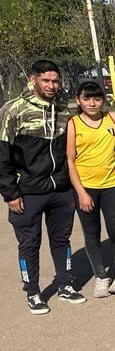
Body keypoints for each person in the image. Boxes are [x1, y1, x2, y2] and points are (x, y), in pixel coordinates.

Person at [0, 61, 85, 313]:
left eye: (55, 81)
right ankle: (33, 292)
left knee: (61, 239)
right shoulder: (13, 110)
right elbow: (2, 154)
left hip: (60, 191)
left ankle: (65, 284)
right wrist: (10, 193)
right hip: (27, 192)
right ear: (32, 79)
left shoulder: (61, 110)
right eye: (45, 80)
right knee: (29, 243)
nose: (51, 85)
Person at [66, 81, 115, 299]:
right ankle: (101, 276)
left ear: (104, 99)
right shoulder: (73, 124)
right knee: (92, 234)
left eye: (97, 98)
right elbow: (70, 161)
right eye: (86, 98)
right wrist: (81, 192)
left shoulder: (114, 118)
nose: (92, 103)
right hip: (86, 188)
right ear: (78, 100)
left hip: (113, 185)